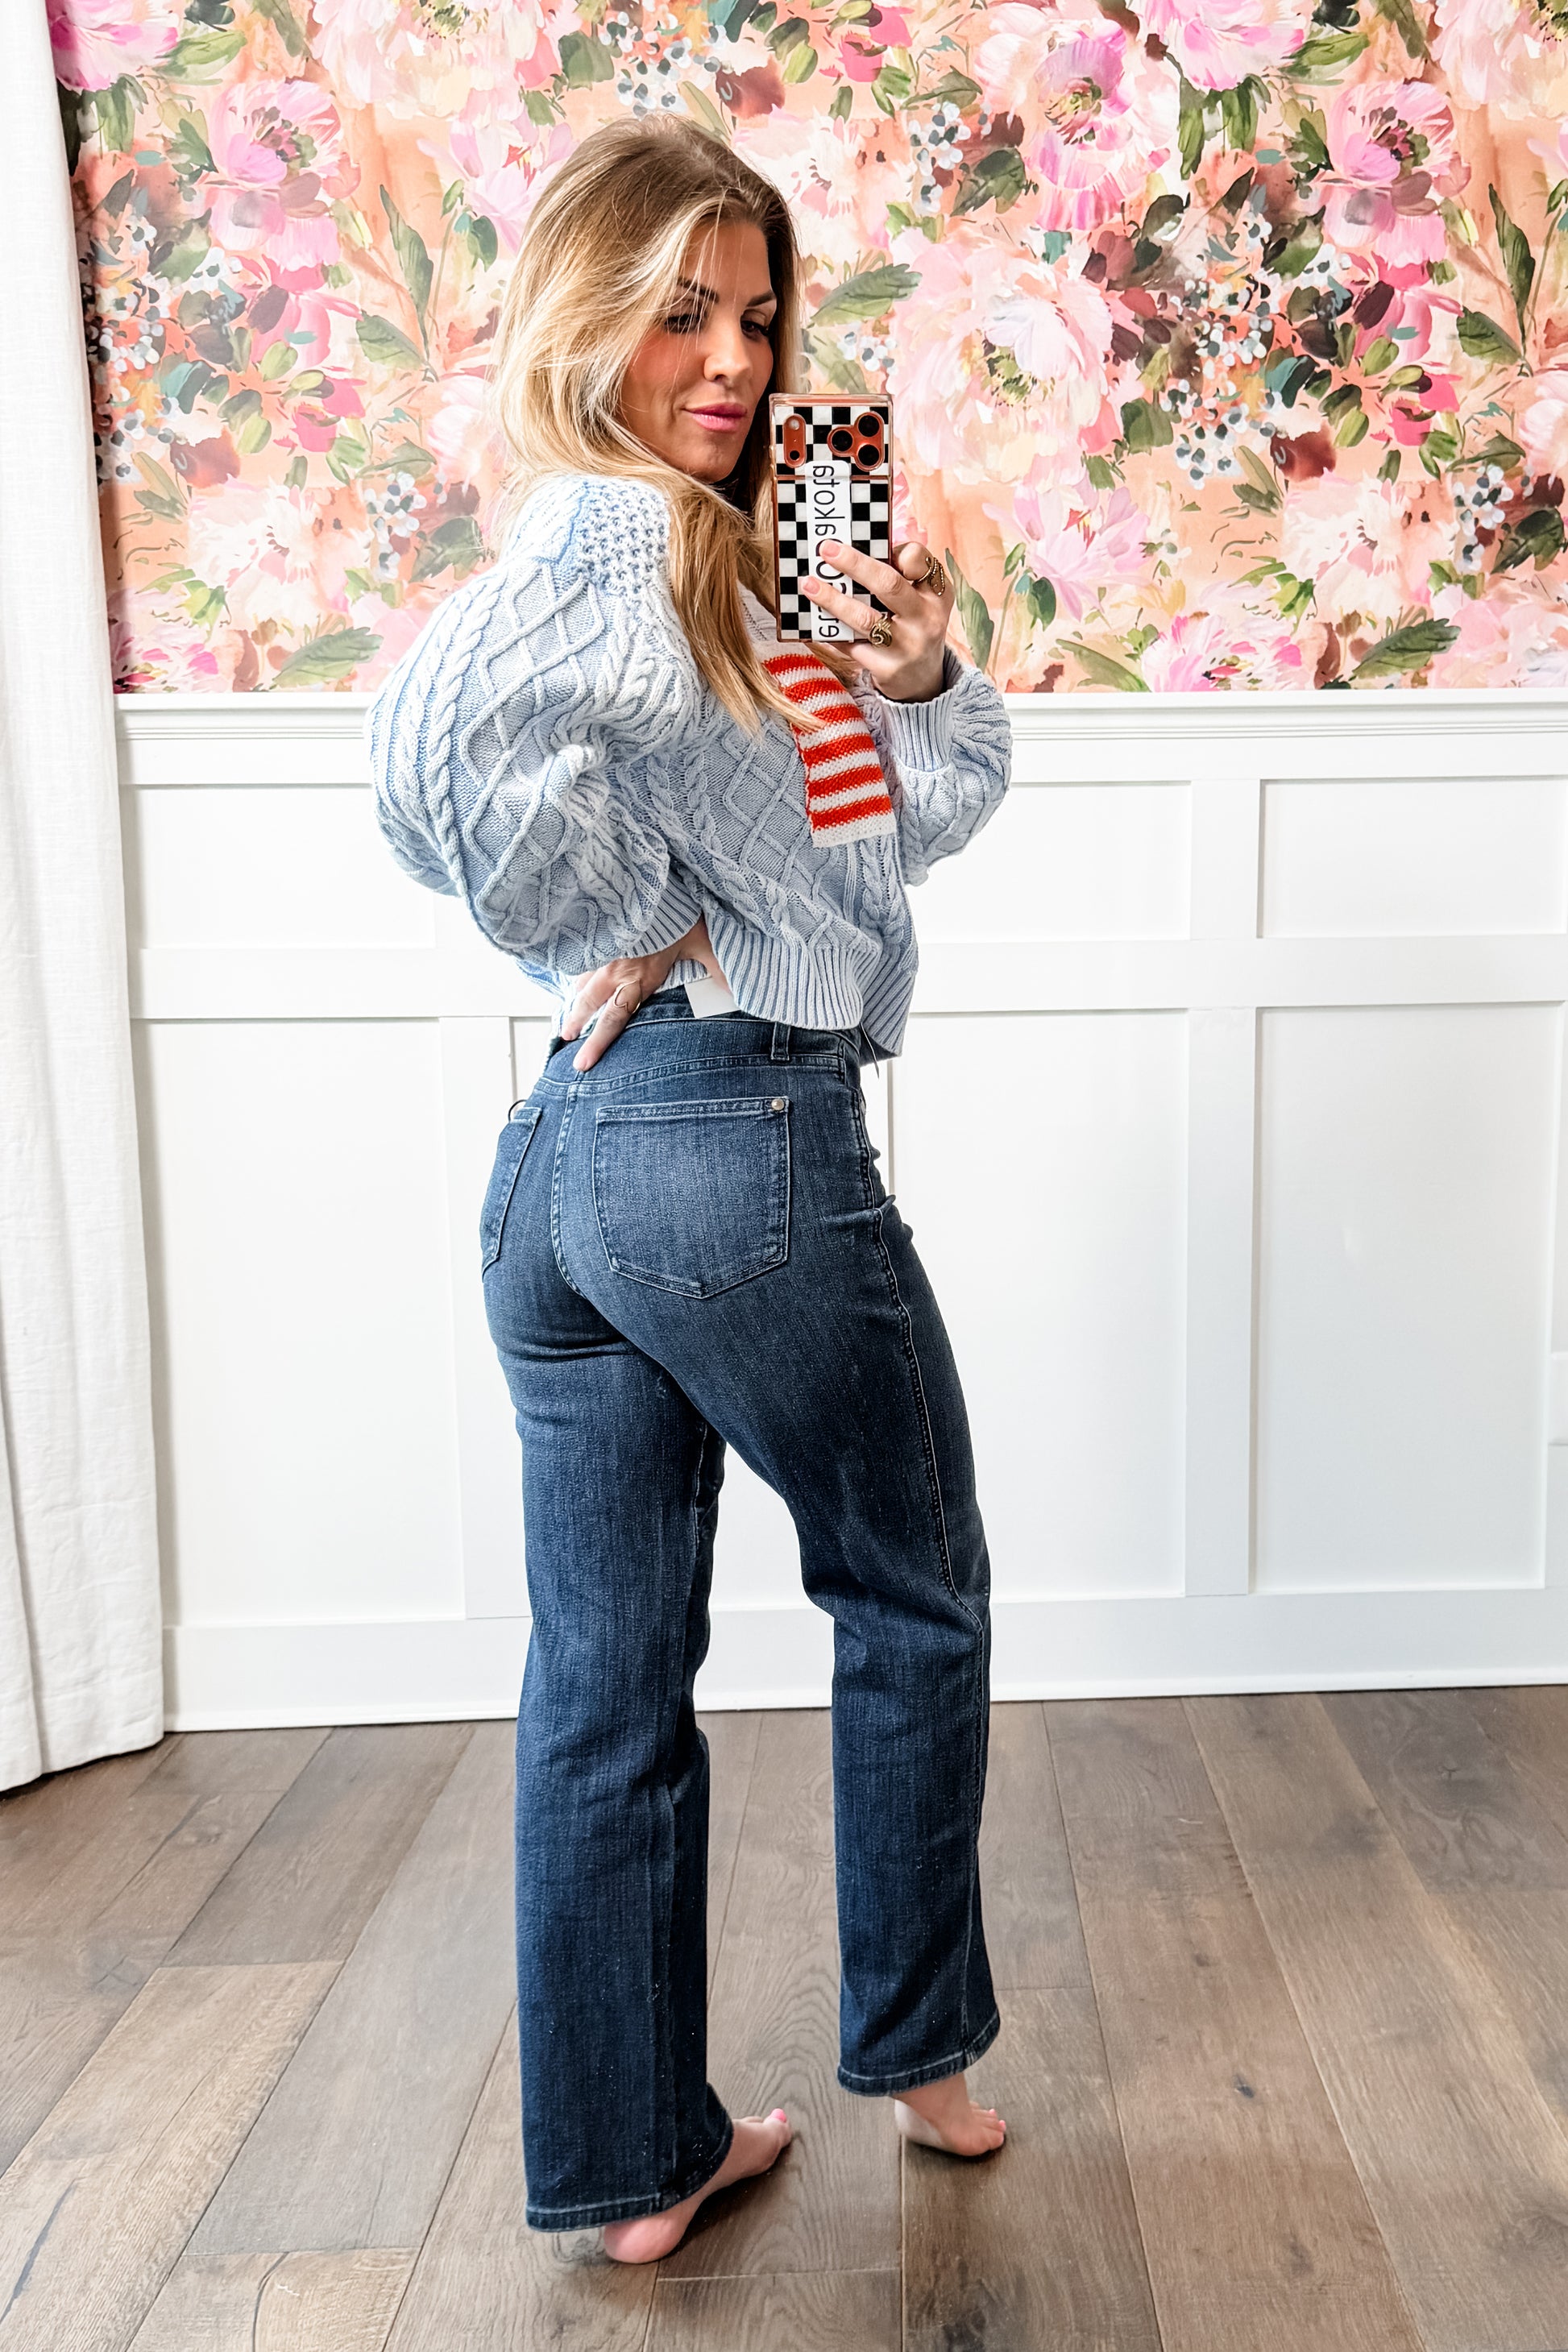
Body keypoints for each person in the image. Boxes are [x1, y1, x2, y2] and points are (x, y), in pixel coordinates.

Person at [367, 114, 1013, 2264]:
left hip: (566, 1174)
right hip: (733, 1148)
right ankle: (921, 2057)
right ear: (585, 319)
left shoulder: (722, 571)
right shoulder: (613, 553)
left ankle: (640, 2164)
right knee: (909, 1594)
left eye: (751, 314)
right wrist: (629, 914)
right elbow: (443, 780)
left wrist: (914, 676)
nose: (729, 360)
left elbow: (893, 829)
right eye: (676, 314)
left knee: (605, 1677)